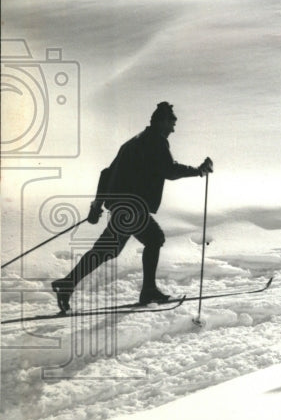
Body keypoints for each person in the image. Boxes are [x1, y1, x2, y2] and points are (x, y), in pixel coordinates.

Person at [51, 102, 213, 312]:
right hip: (132, 207)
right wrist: (199, 171)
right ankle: (148, 290)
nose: (173, 129)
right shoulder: (156, 141)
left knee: (107, 250)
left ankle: (67, 284)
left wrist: (97, 204)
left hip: (122, 207)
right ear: (162, 122)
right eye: (172, 123)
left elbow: (106, 173)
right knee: (154, 238)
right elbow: (169, 170)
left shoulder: (132, 143)